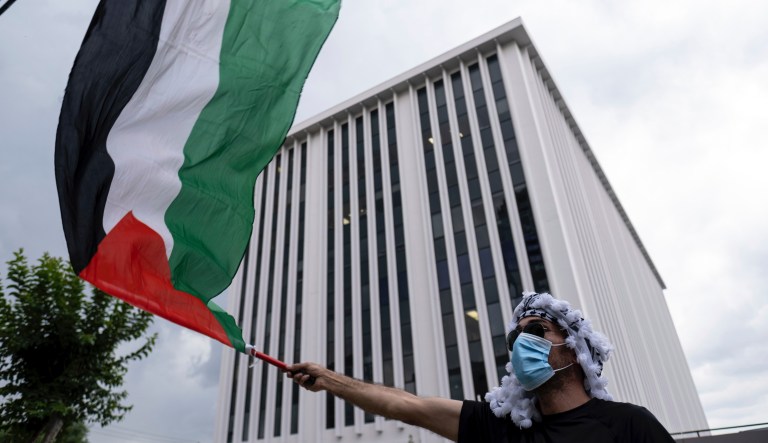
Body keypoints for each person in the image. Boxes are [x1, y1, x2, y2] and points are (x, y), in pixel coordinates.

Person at [286, 292, 675, 442]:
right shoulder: (497, 427)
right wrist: (330, 379)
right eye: (515, 338)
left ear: (574, 351)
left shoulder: (629, 425)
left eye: (537, 330)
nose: (522, 343)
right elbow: (407, 405)